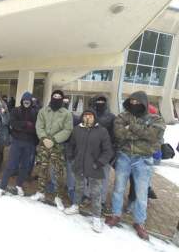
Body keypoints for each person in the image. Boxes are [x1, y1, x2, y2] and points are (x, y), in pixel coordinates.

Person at [105, 91, 165, 240]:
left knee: (141, 193)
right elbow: (119, 133)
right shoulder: (122, 116)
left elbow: (153, 136)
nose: (134, 105)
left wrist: (130, 127)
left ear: (144, 103)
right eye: (131, 102)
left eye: (137, 102)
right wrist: (141, 132)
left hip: (143, 160)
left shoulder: (156, 118)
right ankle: (115, 214)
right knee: (118, 188)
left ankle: (139, 222)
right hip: (124, 156)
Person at [64, 110, 114, 233]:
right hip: (79, 165)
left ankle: (96, 217)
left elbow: (108, 150)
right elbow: (71, 145)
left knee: (96, 192)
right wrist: (70, 156)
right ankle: (76, 206)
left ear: (94, 118)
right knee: (79, 187)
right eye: (85, 116)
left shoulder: (102, 131)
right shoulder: (77, 129)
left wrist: (100, 162)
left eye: (90, 116)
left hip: (94, 166)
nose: (87, 118)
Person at [31, 90, 73, 211]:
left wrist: (54, 140)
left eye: (59, 97)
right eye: (54, 96)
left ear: (62, 99)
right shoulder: (43, 111)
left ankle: (58, 196)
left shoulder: (66, 113)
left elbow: (67, 130)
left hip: (57, 146)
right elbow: (39, 126)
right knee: (42, 169)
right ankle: (40, 192)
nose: (56, 98)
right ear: (51, 97)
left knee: (58, 172)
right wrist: (44, 138)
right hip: (44, 144)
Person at [0, 92, 38, 197]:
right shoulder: (16, 110)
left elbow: (36, 128)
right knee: (11, 165)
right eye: (24, 100)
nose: (26, 102)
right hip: (17, 142)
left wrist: (25, 127)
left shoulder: (35, 112)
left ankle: (19, 185)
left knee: (25, 166)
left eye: (28, 100)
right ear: (22, 100)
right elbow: (13, 124)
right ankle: (2, 186)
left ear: (31, 101)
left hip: (29, 143)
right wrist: (26, 124)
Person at [90, 94, 116, 214]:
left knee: (103, 177)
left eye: (102, 101)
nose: (100, 102)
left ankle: (102, 200)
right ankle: (87, 196)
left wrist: (112, 153)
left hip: (105, 151)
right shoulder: (89, 114)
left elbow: (115, 136)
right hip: (90, 150)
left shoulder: (111, 117)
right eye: (98, 101)